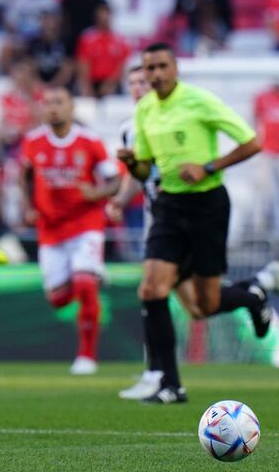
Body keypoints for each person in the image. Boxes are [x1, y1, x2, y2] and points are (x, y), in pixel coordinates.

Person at [120, 42, 279, 404]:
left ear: (175, 68)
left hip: (206, 205)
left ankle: (253, 294)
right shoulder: (145, 110)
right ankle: (168, 383)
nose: (155, 74)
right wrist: (131, 163)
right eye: (149, 68)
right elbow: (144, 168)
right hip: (168, 207)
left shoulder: (198, 101)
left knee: (204, 305)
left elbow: (252, 143)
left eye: (161, 66)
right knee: (151, 290)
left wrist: (207, 167)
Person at [107, 64, 202, 399]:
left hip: (179, 218)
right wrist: (120, 200)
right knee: (192, 304)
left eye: (142, 82)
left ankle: (159, 375)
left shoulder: (173, 120)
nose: (137, 87)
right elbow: (138, 174)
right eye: (131, 82)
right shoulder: (129, 128)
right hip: (156, 219)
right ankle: (160, 375)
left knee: (156, 292)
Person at [20, 86, 121, 375]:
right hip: (51, 229)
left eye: (59, 102)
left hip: (85, 224)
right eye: (48, 103)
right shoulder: (33, 141)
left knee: (84, 285)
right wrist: (29, 206)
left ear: (71, 107)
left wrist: (96, 193)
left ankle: (87, 356)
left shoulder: (89, 141)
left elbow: (115, 181)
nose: (53, 108)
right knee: (58, 299)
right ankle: (92, 273)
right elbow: (25, 176)